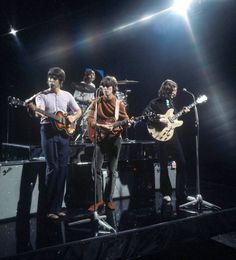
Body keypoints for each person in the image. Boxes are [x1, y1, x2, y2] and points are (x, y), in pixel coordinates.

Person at [34, 67, 82, 219]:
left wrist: (72, 119)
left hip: (63, 133)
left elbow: (78, 110)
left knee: (62, 168)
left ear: (60, 81)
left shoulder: (67, 95)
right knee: (52, 167)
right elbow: (39, 109)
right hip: (47, 130)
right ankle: (47, 209)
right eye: (49, 78)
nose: (51, 81)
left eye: (54, 78)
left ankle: (57, 207)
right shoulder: (41, 95)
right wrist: (36, 110)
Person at [86, 76, 130, 211]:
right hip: (100, 137)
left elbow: (126, 120)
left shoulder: (119, 104)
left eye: (108, 87)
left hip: (115, 139)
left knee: (112, 170)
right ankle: (99, 200)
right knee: (96, 169)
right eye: (104, 87)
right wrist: (98, 125)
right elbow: (88, 117)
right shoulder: (96, 102)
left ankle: (108, 199)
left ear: (114, 88)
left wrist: (118, 124)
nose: (106, 90)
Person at [143, 79, 189, 204]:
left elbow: (172, 119)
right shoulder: (155, 102)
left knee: (182, 163)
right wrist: (160, 119)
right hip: (160, 137)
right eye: (174, 90)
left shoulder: (171, 103)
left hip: (172, 136)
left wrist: (181, 113)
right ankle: (166, 193)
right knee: (163, 165)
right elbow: (146, 115)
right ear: (168, 90)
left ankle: (182, 193)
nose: (176, 92)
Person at [73, 69, 96, 141]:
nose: (92, 76)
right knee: (78, 124)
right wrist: (85, 100)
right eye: (90, 74)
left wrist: (93, 100)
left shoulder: (93, 85)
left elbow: (92, 97)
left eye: (93, 74)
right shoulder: (81, 84)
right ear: (87, 76)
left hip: (88, 107)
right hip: (80, 106)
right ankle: (75, 138)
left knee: (86, 124)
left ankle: (85, 138)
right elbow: (75, 96)